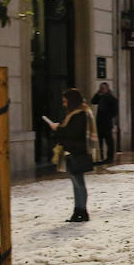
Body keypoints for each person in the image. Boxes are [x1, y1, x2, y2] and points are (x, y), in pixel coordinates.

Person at [47, 88, 93, 222]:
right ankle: (78, 211)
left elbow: (73, 133)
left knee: (79, 183)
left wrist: (58, 129)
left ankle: (82, 211)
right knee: (76, 182)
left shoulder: (79, 115)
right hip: (73, 151)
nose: (64, 104)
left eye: (65, 101)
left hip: (77, 152)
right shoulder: (76, 114)